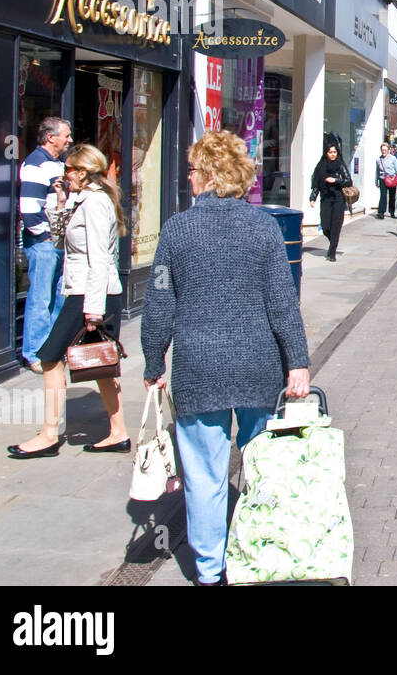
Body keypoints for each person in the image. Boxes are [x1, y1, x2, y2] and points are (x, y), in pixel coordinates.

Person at [142, 130, 310, 587]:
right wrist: (297, 361)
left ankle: (211, 570)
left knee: (205, 476)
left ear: (212, 174)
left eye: (193, 170)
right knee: (263, 468)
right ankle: (263, 554)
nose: (189, 179)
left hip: (199, 368)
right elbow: (283, 301)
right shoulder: (262, 228)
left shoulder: (178, 229)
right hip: (259, 365)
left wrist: (153, 362)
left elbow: (159, 302)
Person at [8, 143, 129, 459]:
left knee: (49, 357)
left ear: (83, 172)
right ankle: (118, 433)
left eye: (68, 170)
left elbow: (99, 259)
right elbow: (61, 237)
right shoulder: (83, 199)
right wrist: (62, 201)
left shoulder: (95, 203)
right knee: (99, 364)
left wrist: (93, 309)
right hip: (89, 291)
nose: (64, 176)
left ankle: (48, 436)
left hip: (90, 293)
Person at [17, 116, 73, 372]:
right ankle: (33, 352)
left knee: (57, 295)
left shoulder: (57, 164)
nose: (69, 140)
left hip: (57, 241)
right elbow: (29, 209)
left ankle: (50, 348)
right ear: (51, 138)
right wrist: (46, 237)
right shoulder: (35, 164)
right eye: (66, 135)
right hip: (44, 242)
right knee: (40, 297)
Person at [310, 143, 351, 262]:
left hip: (338, 198)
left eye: (334, 152)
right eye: (330, 152)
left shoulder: (340, 165)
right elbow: (316, 184)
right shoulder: (321, 165)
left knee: (336, 225)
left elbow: (349, 181)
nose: (333, 155)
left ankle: (332, 252)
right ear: (326, 153)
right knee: (325, 226)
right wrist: (313, 198)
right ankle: (333, 242)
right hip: (326, 198)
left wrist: (336, 180)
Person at [374, 143, 397, 220]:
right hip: (382, 179)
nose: (384, 151)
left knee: (392, 196)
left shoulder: (393, 158)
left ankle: (392, 212)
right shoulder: (378, 159)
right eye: (382, 150)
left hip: (392, 178)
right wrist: (376, 181)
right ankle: (381, 212)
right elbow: (377, 171)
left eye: (385, 150)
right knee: (383, 195)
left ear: (388, 150)